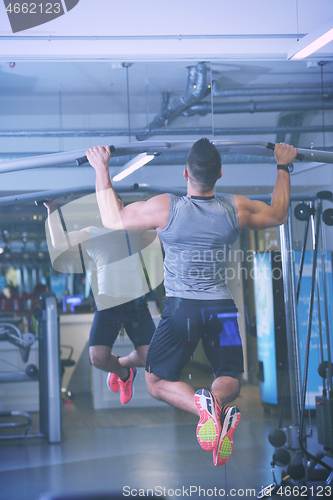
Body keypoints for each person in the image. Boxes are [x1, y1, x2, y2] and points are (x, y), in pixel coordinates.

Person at [86, 139, 297, 465]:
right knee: (230, 376)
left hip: (182, 310)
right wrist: (282, 165)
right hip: (223, 310)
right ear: (221, 174)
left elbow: (114, 218)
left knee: (156, 381)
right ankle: (217, 407)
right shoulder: (235, 207)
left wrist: (102, 168)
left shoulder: (167, 207)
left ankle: (203, 405)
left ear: (185, 172)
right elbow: (279, 213)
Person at [44, 198, 156, 405]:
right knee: (98, 358)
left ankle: (124, 364)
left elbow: (163, 231)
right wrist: (52, 209)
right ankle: (123, 374)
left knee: (153, 359)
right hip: (108, 304)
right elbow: (59, 242)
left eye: (117, 206)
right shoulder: (92, 233)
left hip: (135, 303)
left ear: (122, 209)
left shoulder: (136, 231)